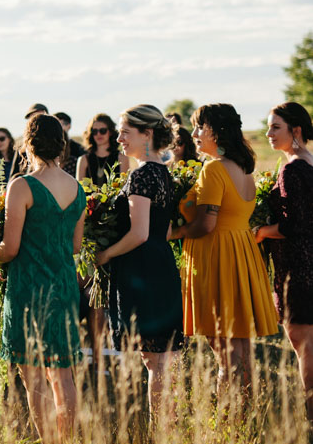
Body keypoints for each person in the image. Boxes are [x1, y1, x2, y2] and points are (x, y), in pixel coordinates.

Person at [170, 103, 278, 402]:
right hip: (240, 253)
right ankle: (246, 414)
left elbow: (206, 224)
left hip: (216, 257)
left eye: (199, 128)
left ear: (216, 132)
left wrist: (174, 232)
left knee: (224, 352)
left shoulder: (215, 169)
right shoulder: (242, 168)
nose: (194, 134)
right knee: (239, 348)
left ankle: (229, 422)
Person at [0, 113, 85, 444]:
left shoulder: (22, 185)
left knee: (32, 372)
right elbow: (75, 245)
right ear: (61, 145)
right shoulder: (76, 188)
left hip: (29, 288)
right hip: (63, 286)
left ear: (27, 143)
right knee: (62, 372)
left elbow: (11, 246)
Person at [94, 104, 184, 425]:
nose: (119, 138)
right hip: (162, 268)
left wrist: (105, 254)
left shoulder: (143, 173)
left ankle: (161, 436)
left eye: (125, 132)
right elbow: (167, 230)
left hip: (145, 272)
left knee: (156, 362)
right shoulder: (162, 171)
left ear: (147, 134)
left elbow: (140, 233)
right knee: (161, 360)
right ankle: (168, 431)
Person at [254, 101, 313, 421]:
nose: (269, 133)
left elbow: (293, 224)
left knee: (304, 347)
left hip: (298, 270)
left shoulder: (291, 169)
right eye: (268, 127)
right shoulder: (309, 161)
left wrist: (260, 231)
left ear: (296, 130)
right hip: (308, 263)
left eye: (276, 127)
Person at [76, 114, 122, 187]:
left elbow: (124, 188)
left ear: (110, 132)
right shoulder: (83, 159)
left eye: (102, 131)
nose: (98, 134)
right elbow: (80, 190)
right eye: (94, 131)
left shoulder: (121, 158)